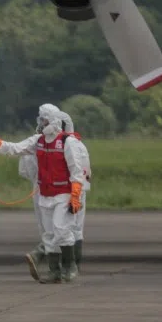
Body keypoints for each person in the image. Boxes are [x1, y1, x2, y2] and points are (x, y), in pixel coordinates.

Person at [0, 109, 86, 283]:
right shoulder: (37, 141)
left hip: (63, 194)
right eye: (41, 119)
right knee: (49, 234)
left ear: (53, 121)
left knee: (62, 229)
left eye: (45, 120)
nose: (42, 123)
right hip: (45, 194)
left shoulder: (68, 142)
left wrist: (75, 195)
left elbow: (76, 170)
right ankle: (54, 272)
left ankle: (70, 267)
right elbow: (16, 148)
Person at [18, 103, 60, 281]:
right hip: (50, 189)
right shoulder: (56, 140)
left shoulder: (35, 142)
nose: (41, 123)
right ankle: (54, 266)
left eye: (43, 119)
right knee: (56, 228)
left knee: (48, 228)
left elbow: (24, 171)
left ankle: (45, 259)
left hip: (41, 187)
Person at [59, 110, 90, 275]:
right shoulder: (79, 144)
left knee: (62, 227)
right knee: (77, 228)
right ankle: (75, 265)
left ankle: (67, 265)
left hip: (67, 190)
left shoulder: (64, 144)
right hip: (80, 189)